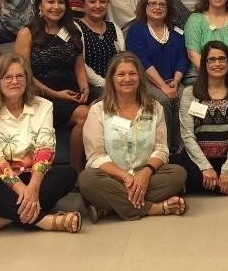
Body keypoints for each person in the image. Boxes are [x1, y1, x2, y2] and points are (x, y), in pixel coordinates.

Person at [0, 53, 80, 240]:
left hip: (33, 176)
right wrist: (23, 191)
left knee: (67, 174)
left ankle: (1, 220)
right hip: (1, 180)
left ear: (27, 80)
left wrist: (33, 188)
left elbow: (45, 149)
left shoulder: (44, 106)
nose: (14, 81)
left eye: (20, 76)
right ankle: (45, 221)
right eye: (8, 77)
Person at [79, 52, 188, 222]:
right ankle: (154, 208)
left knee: (178, 174)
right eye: (121, 74)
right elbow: (95, 156)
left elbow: (161, 149)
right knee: (87, 180)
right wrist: (126, 177)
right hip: (111, 178)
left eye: (132, 73)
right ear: (111, 79)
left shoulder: (155, 108)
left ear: (140, 77)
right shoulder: (98, 110)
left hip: (147, 176)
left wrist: (145, 174)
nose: (127, 79)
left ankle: (108, 206)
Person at [172, 41, 228, 195]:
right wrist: (205, 167)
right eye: (212, 59)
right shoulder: (189, 93)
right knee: (176, 166)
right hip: (198, 161)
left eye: (222, 59)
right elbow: (187, 135)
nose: (217, 64)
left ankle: (205, 187)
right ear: (205, 63)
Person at [14, 0, 89, 170]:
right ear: (40, 5)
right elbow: (24, 75)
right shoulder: (27, 33)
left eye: (60, 2)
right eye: (50, 2)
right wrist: (55, 94)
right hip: (40, 96)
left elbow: (79, 65)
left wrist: (85, 88)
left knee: (103, 106)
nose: (56, 6)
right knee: (84, 115)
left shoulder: (72, 31)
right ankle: (76, 171)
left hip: (71, 93)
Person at [125, 0, 188, 150]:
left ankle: (181, 149)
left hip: (173, 81)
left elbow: (183, 58)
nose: (157, 7)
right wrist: (163, 86)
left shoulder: (176, 31)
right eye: (152, 3)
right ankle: (164, 149)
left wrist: (176, 81)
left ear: (168, 8)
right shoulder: (136, 30)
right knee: (163, 101)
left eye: (162, 4)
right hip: (146, 82)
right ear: (145, 6)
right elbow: (143, 62)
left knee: (186, 98)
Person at [75, 0, 125, 102]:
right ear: (84, 4)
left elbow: (122, 59)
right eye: (92, 1)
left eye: (102, 1)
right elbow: (80, 64)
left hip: (116, 83)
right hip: (90, 86)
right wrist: (104, 83)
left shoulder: (114, 28)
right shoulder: (76, 27)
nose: (98, 6)